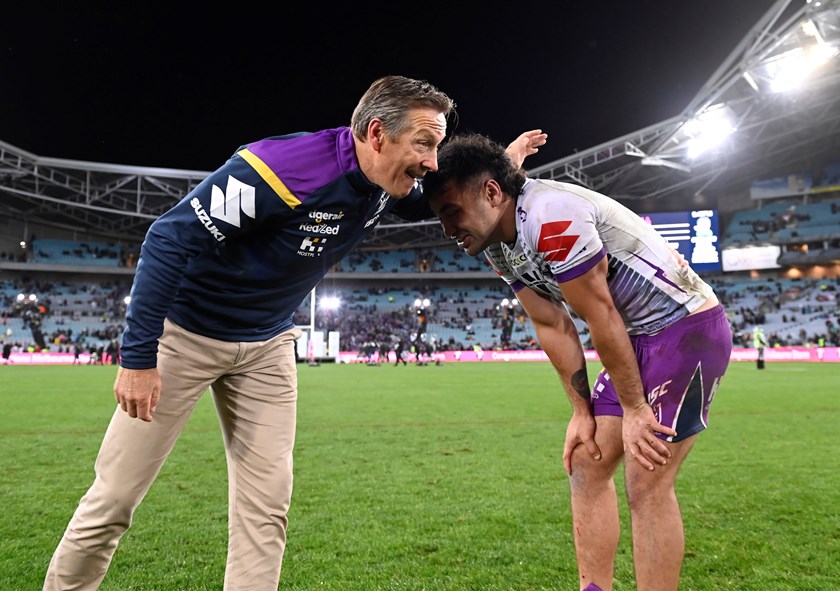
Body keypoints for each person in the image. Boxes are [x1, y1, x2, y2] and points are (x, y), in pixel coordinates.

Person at [42, 76, 546, 591]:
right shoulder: (283, 170)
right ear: (376, 134)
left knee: (265, 511)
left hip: (267, 347)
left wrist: (497, 166)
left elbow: (431, 197)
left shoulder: (385, 182)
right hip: (187, 336)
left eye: (437, 146)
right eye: (423, 143)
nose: (432, 162)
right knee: (114, 500)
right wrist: (138, 358)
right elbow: (169, 238)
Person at [422, 133, 732, 591]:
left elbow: (599, 315)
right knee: (587, 463)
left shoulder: (552, 217)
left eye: (452, 213)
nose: (448, 229)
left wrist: (635, 409)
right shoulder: (493, 242)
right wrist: (580, 411)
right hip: (637, 338)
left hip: (685, 330)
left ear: (491, 193)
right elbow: (551, 324)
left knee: (645, 482)